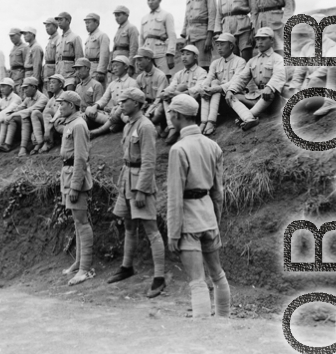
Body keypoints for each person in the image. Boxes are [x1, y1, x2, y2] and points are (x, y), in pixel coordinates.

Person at [166, 93, 230, 319]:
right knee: (218, 274)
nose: (169, 115)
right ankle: (224, 321)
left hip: (188, 221)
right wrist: (216, 221)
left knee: (197, 281)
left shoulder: (178, 149)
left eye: (171, 112)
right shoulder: (213, 146)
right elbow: (218, 192)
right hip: (208, 216)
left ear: (177, 115)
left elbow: (174, 196)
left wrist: (173, 233)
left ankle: (203, 332)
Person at [108, 88, 166, 298]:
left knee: (151, 228)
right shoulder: (129, 125)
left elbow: (149, 161)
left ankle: (159, 277)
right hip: (127, 178)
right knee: (129, 225)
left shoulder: (146, 126)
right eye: (121, 100)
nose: (121, 104)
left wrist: (141, 189)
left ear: (137, 104)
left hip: (140, 181)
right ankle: (127, 266)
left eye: (126, 101)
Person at [57, 90, 95, 286]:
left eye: (62, 103)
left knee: (81, 222)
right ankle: (79, 262)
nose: (59, 107)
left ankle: (85, 269)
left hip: (75, 176)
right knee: (77, 221)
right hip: (68, 173)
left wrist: (75, 185)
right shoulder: (70, 123)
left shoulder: (78, 125)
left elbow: (81, 157)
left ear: (71, 106)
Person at [225, 26, 286, 130]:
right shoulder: (252, 61)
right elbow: (242, 78)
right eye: (258, 39)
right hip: (258, 97)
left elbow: (279, 75)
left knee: (271, 92)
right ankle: (249, 118)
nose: (260, 42)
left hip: (273, 99)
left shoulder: (278, 58)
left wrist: (270, 87)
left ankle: (246, 117)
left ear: (271, 40)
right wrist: (230, 90)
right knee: (231, 96)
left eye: (263, 39)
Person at [152, 45, 207, 142]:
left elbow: (198, 88)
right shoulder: (178, 74)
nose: (184, 57)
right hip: (178, 100)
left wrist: (181, 92)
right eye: (182, 54)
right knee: (166, 96)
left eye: (188, 54)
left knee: (176, 93)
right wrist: (166, 92)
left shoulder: (201, 72)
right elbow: (171, 86)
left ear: (195, 57)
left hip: (193, 102)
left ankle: (171, 127)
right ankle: (171, 127)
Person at [199, 33, 247, 135]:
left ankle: (210, 122)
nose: (219, 48)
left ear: (231, 46)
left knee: (216, 86)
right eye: (217, 45)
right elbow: (208, 78)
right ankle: (205, 122)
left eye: (222, 44)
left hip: (233, 98)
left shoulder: (240, 62)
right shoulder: (215, 63)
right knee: (213, 83)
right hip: (219, 102)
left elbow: (235, 82)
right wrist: (203, 87)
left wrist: (216, 89)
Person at [84, 55, 139, 137]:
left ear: (126, 67)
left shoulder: (132, 82)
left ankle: (100, 130)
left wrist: (119, 108)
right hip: (113, 115)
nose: (114, 68)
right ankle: (116, 125)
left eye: (117, 65)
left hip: (126, 114)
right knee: (89, 110)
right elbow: (104, 99)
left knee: (123, 114)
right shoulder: (112, 84)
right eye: (113, 66)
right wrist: (95, 106)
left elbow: (133, 102)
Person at [180, 0, 217, 67]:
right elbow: (186, 17)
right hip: (190, 37)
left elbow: (212, 16)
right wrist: (184, 34)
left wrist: (209, 38)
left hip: (202, 35)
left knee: (203, 65)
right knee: (191, 67)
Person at [140, 0, 176, 77]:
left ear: (160, 0)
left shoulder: (166, 15)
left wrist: (170, 54)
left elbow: (172, 36)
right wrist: (140, 54)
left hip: (161, 52)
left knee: (163, 77)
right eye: (148, 0)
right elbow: (141, 38)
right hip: (147, 53)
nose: (150, 2)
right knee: (148, 78)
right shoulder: (144, 18)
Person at [12, 75, 48, 156]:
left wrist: (13, 114)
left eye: (26, 88)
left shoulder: (43, 98)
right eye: (23, 88)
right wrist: (10, 112)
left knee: (31, 113)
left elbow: (30, 110)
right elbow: (20, 107)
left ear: (34, 87)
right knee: (21, 117)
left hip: (43, 127)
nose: (24, 90)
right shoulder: (28, 98)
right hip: (32, 126)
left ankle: (39, 143)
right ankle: (23, 147)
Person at [33, 73, 66, 152]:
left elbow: (60, 113)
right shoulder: (51, 99)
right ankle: (39, 141)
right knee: (35, 113)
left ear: (61, 84)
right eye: (50, 83)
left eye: (53, 82)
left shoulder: (65, 95)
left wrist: (47, 130)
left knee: (48, 111)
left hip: (63, 122)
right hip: (53, 125)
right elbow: (45, 115)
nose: (51, 85)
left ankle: (49, 142)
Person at [0, 77, 21, 151]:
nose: (1, 89)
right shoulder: (3, 100)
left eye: (3, 86)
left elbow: (7, 111)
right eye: (1, 87)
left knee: (6, 116)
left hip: (17, 129)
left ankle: (6, 144)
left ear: (10, 87)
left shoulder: (16, 98)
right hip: (6, 127)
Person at [55, 12, 83, 85]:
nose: (59, 22)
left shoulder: (75, 37)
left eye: (61, 19)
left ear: (68, 21)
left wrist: (77, 75)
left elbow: (79, 58)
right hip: (59, 74)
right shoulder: (59, 39)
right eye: (58, 20)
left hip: (70, 75)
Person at [83, 13, 111, 87]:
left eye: (89, 22)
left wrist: (101, 71)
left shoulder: (102, 36)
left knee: (97, 91)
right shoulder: (89, 38)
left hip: (97, 69)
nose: (86, 25)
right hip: (88, 69)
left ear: (96, 23)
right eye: (86, 23)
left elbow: (104, 54)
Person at [112, 5, 139, 71]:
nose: (116, 18)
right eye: (115, 16)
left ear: (126, 15)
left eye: (118, 15)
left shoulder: (131, 28)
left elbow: (134, 48)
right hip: (116, 60)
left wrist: (130, 65)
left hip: (125, 61)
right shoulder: (119, 29)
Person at [42, 18, 60, 86]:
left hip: (54, 71)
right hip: (47, 72)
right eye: (46, 26)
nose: (46, 28)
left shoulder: (58, 39)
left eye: (49, 25)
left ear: (55, 26)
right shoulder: (50, 40)